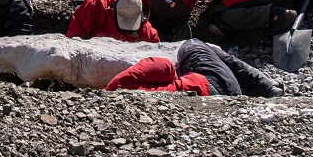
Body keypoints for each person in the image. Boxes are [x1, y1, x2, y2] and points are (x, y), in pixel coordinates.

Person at [105, 39, 284, 97]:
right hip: (215, 84)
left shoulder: (130, 94)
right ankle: (265, 86)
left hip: (216, 92)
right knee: (193, 44)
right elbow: (164, 66)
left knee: (213, 56)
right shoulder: (121, 85)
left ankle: (264, 86)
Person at [66, 0, 160, 43]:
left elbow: (156, 57)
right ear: (114, 11)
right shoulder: (95, 7)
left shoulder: (146, 31)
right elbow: (73, 40)